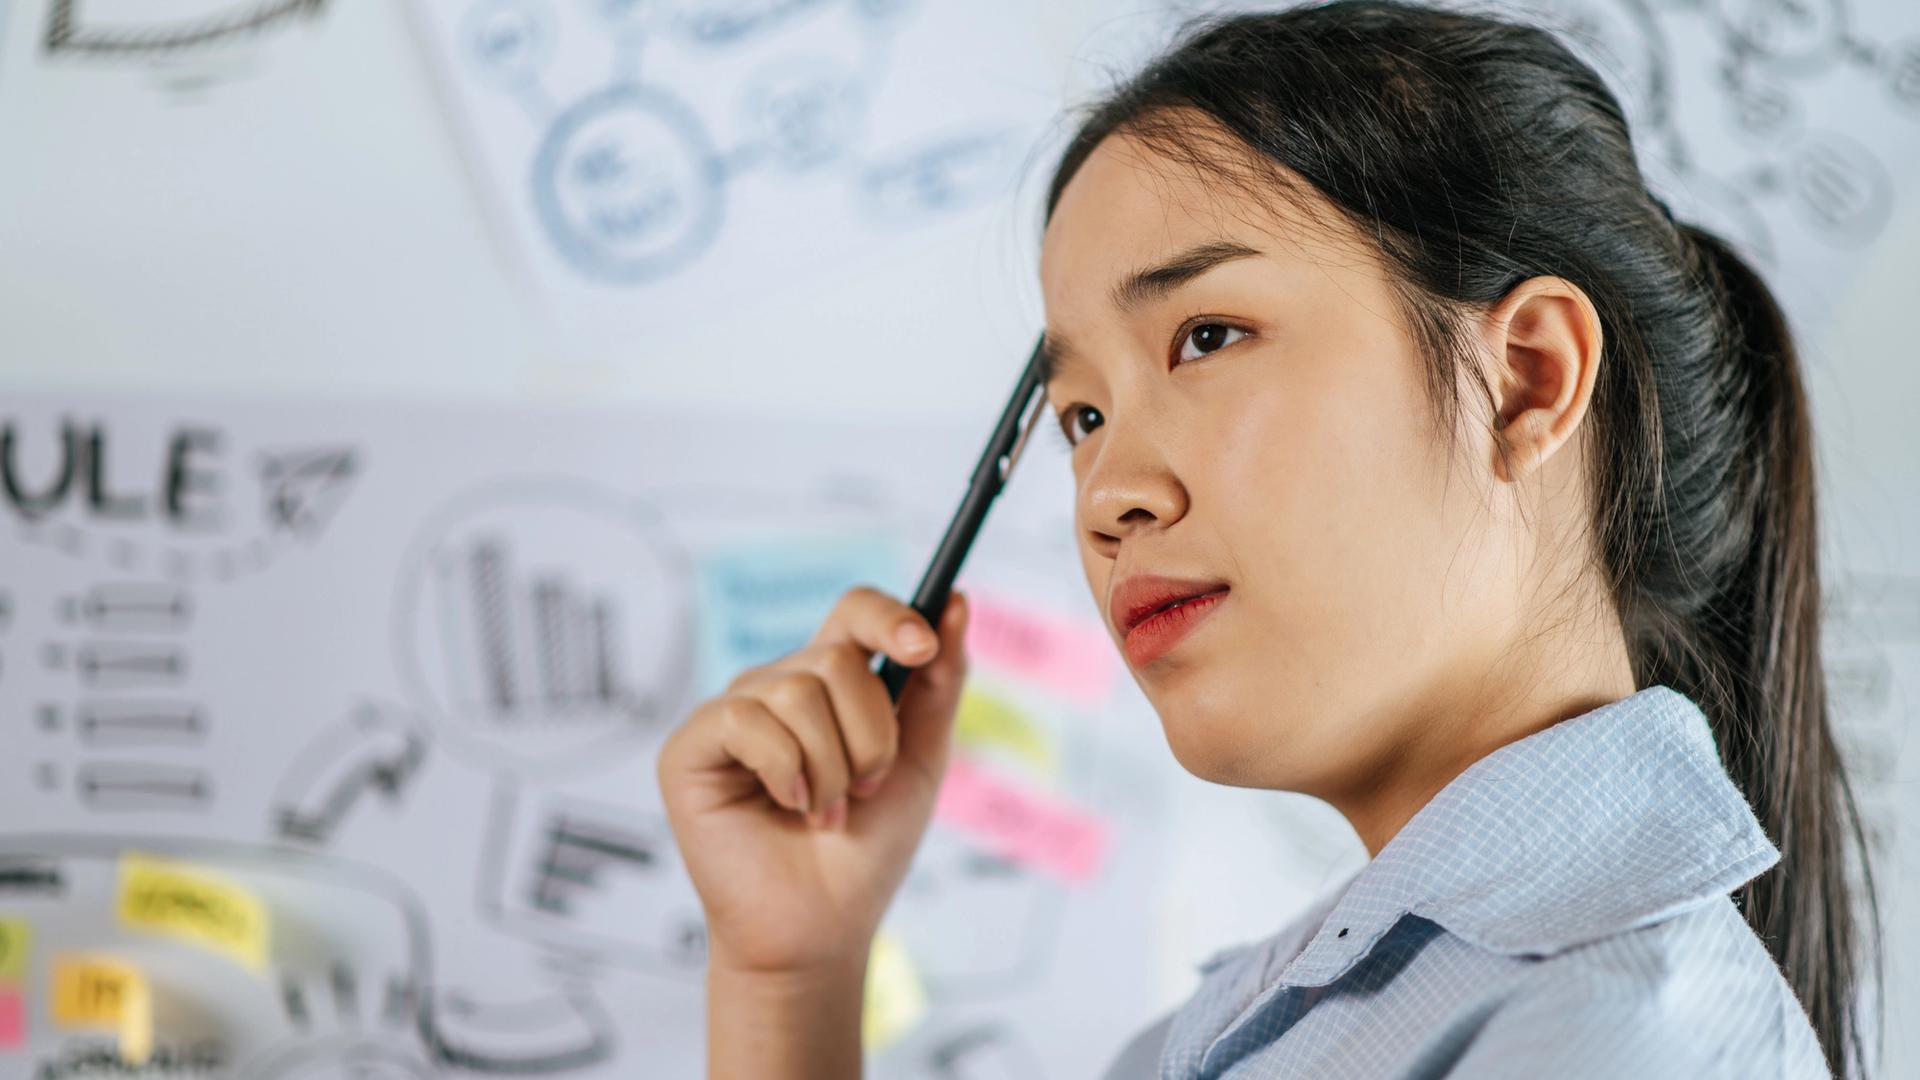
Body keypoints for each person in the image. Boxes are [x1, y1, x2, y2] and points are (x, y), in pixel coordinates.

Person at [654, 2, 1882, 1076]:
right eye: (1082, 416)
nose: (1107, 496)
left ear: (1525, 378)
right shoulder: (1269, 1023)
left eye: (1206, 338)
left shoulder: (1626, 1038)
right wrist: (791, 977)